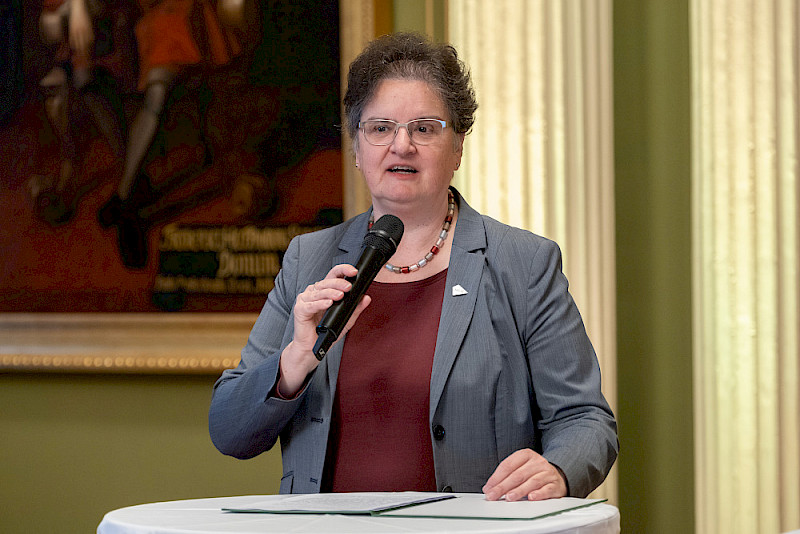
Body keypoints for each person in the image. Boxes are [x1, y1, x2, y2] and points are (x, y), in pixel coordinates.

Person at [208, 32, 618, 501]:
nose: (401, 145)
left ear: (457, 147)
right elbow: (229, 431)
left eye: (424, 128)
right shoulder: (308, 260)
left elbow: (586, 419)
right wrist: (297, 358)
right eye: (380, 128)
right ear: (357, 149)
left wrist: (559, 470)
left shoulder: (522, 264)